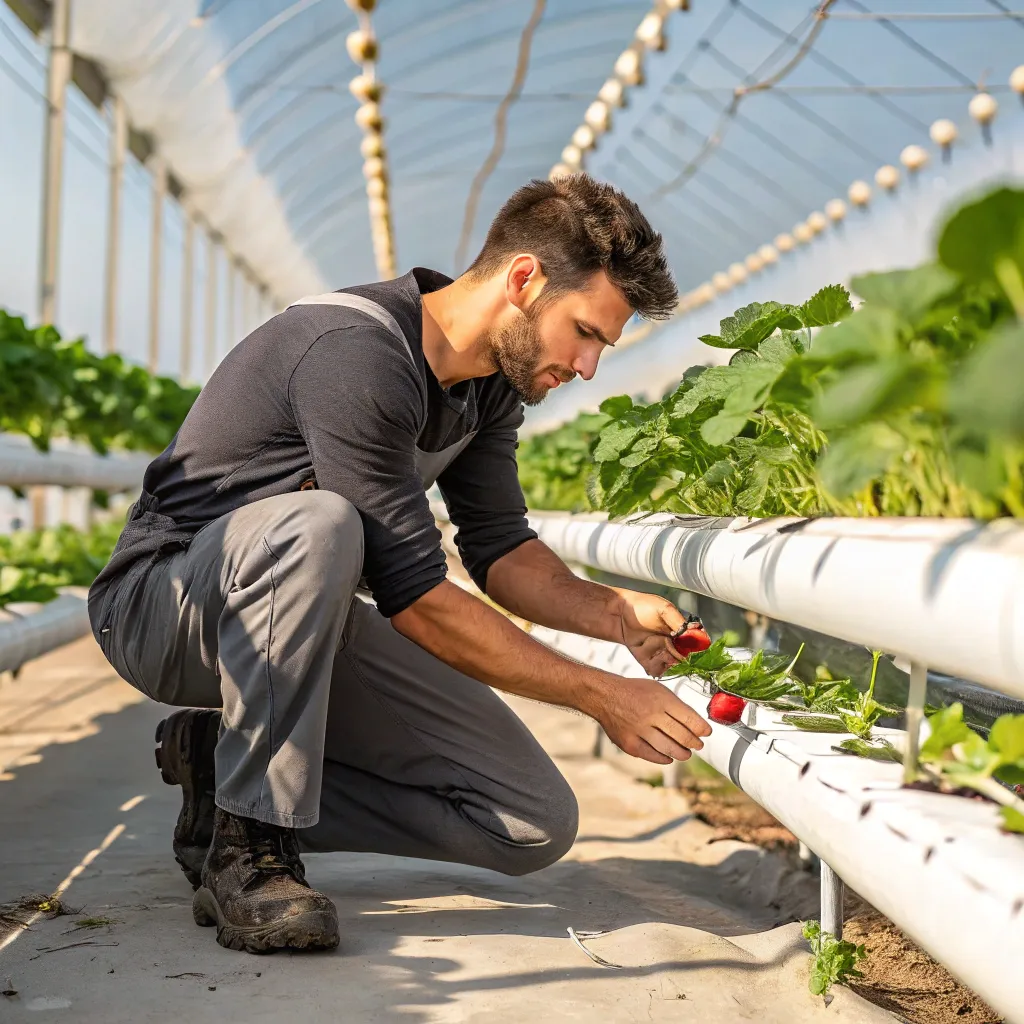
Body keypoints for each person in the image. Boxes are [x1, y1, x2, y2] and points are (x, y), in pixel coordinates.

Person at [88, 173, 712, 955]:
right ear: (524, 279)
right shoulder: (356, 353)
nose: (588, 366)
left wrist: (615, 615)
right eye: (585, 332)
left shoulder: (489, 390)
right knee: (319, 526)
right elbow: (416, 597)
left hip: (297, 621)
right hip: (164, 606)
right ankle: (252, 851)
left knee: (528, 820)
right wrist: (600, 695)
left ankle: (218, 780)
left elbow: (500, 548)